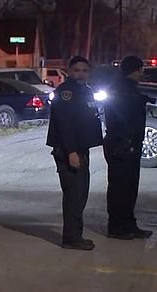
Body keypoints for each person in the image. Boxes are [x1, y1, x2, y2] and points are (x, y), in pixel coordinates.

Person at [46, 56, 103, 250]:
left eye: (84, 70)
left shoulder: (84, 91)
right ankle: (71, 238)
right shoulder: (66, 93)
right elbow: (65, 125)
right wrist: (71, 152)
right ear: (69, 72)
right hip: (69, 151)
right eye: (77, 70)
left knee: (80, 195)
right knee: (74, 196)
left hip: (80, 149)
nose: (81, 73)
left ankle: (75, 235)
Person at [103, 56, 154, 239]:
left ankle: (128, 224)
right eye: (141, 70)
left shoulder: (127, 89)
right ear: (135, 70)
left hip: (128, 144)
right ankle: (117, 227)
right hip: (121, 145)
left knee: (129, 187)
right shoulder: (122, 90)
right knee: (120, 188)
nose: (142, 74)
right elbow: (121, 119)